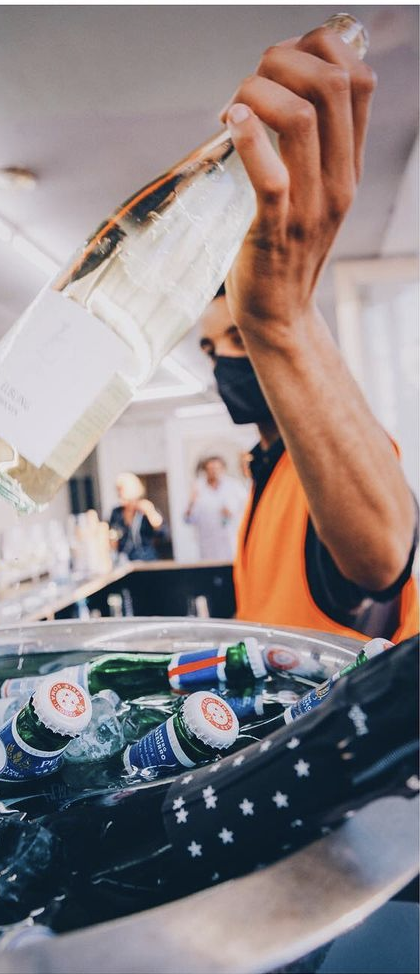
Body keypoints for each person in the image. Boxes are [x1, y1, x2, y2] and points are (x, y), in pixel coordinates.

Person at [196, 23, 418, 641]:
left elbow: (383, 558)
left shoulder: (326, 467)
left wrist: (280, 320)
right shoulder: (262, 473)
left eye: (238, 337)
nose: (222, 362)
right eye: (210, 349)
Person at [184, 455, 248, 561]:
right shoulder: (198, 487)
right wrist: (191, 503)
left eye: (217, 468)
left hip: (231, 540)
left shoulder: (234, 485)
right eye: (210, 469)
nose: (214, 472)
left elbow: (246, 509)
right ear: (205, 471)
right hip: (208, 542)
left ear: (223, 469)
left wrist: (233, 513)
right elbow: (188, 519)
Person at [109, 472, 165, 562]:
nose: (119, 494)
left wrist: (150, 513)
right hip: (125, 559)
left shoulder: (145, 508)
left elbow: (162, 533)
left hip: (146, 558)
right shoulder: (117, 512)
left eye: (122, 490)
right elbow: (113, 537)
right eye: (118, 490)